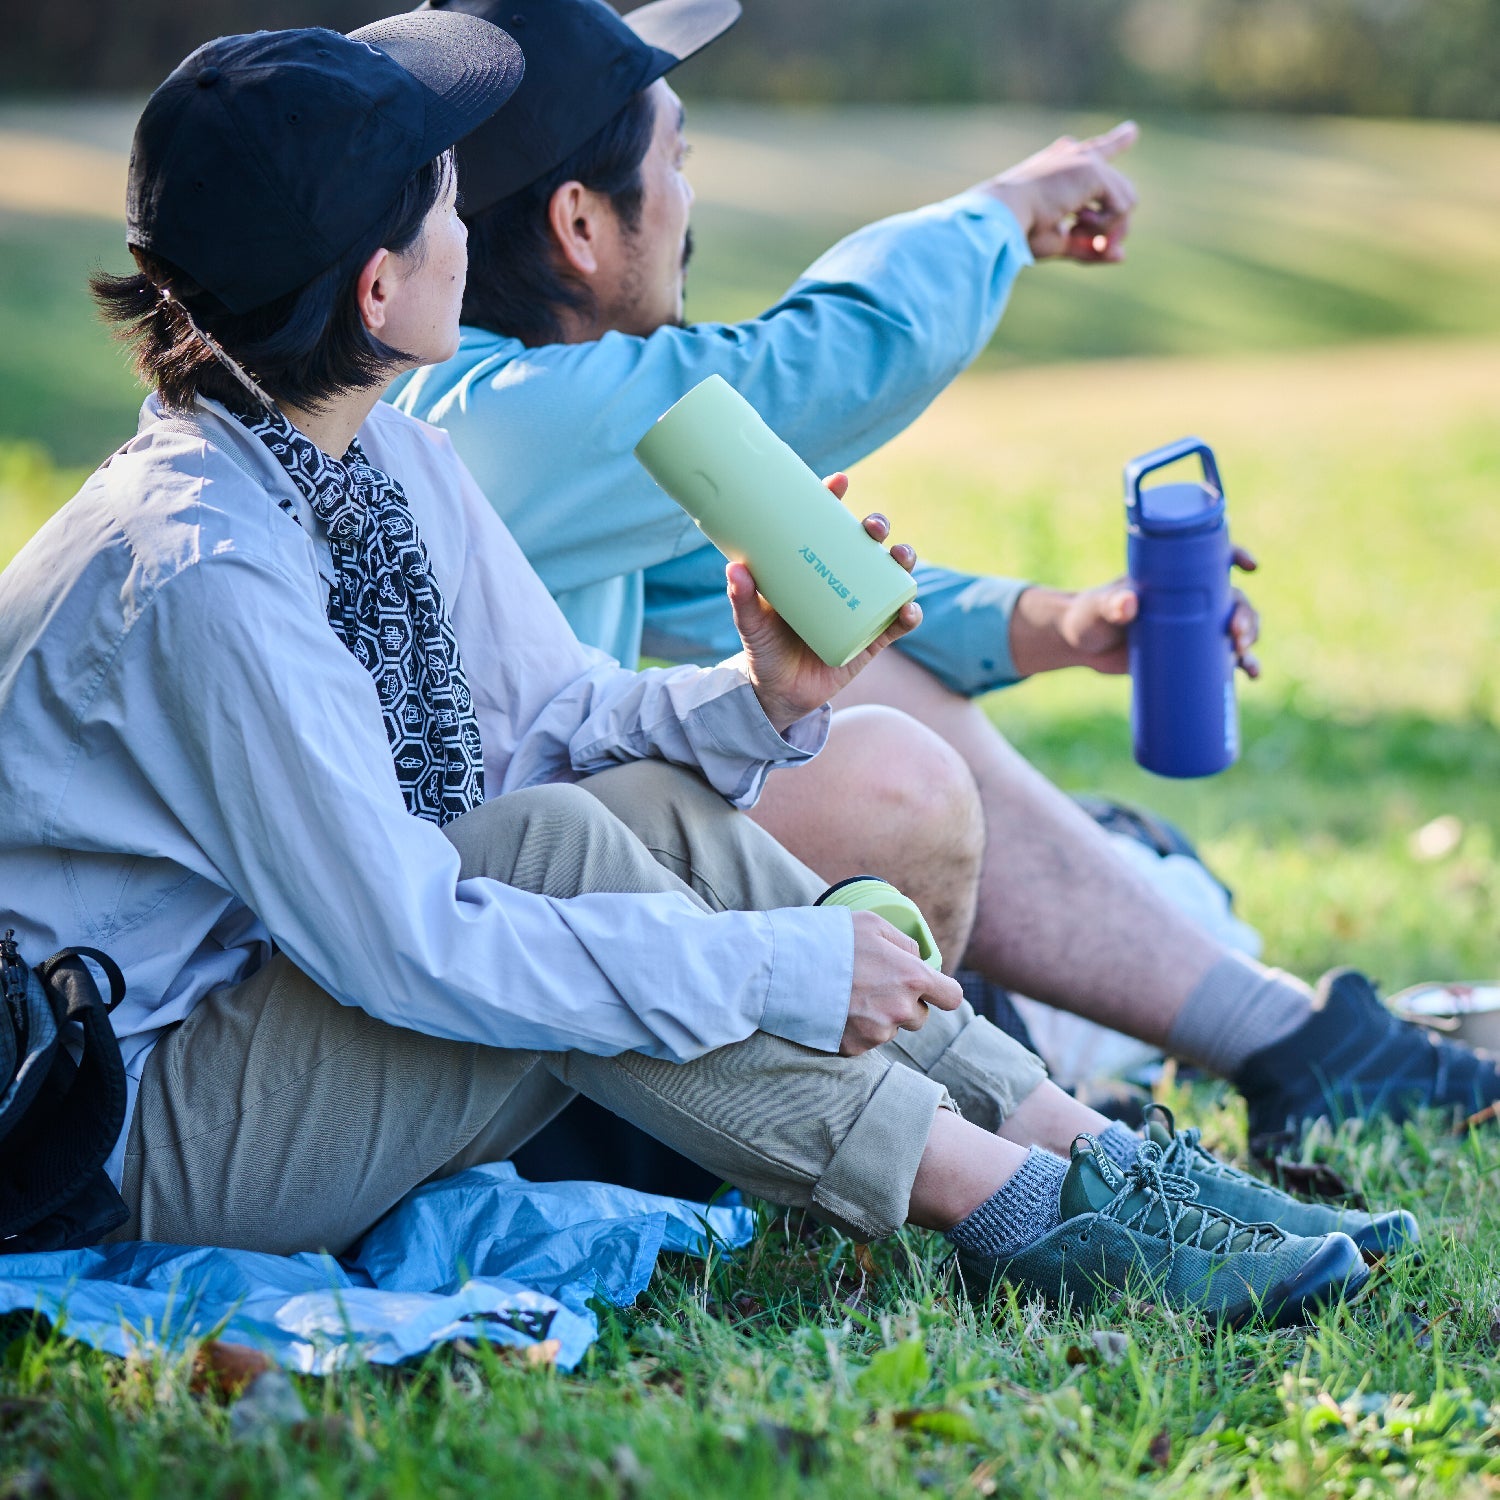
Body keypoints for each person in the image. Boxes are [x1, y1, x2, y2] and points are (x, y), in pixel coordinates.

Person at [0, 17, 1396, 1326]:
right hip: (120, 1134)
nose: (466, 224)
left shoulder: (372, 455)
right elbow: (411, 946)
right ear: (377, 285)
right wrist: (782, 966)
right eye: (441, 198)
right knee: (550, 866)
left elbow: (552, 723)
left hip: (256, 1026)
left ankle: (1079, 1147)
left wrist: (764, 694)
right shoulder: (202, 573)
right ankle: (1011, 1205)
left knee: (603, 820)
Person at [392, 0, 1500, 1152]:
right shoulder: (501, 421)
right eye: (677, 161)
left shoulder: (528, 428)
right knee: (888, 778)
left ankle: (1291, 1044)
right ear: (578, 220)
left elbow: (770, 592)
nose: (687, 204)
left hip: (549, 931)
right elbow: (818, 364)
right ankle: (1000, 1104)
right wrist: (998, 218)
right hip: (497, 1002)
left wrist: (1059, 624)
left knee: (855, 689)